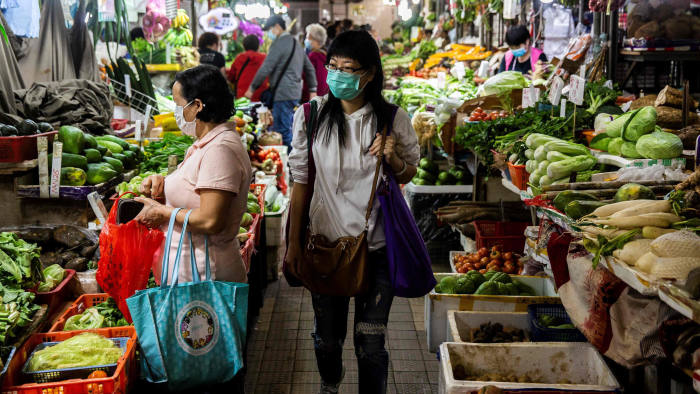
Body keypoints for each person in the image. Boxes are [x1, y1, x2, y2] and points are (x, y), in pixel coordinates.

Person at [286, 30, 419, 394]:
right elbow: (300, 184)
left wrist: (393, 157)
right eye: (334, 66)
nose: (338, 75)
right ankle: (331, 382)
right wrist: (293, 245)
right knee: (327, 340)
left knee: (370, 343)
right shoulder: (310, 116)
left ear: (370, 74)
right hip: (324, 246)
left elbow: (410, 172)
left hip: (376, 250)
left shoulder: (392, 118)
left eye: (349, 68)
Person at [245, 15, 318, 150]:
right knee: (286, 128)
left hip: (282, 93)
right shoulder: (297, 44)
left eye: (269, 30)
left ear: (277, 27)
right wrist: (313, 90)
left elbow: (266, 67)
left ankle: (290, 163)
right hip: (294, 93)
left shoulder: (278, 44)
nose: (268, 34)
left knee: (282, 131)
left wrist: (252, 88)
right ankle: (289, 162)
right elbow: (309, 69)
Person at [228, 34, 268, 101]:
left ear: (244, 46)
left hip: (242, 98)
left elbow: (231, 77)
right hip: (261, 97)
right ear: (258, 46)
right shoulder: (264, 58)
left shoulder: (239, 58)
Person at [302, 23, 329, 103]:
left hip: (313, 96)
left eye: (307, 37)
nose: (306, 40)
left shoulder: (314, 56)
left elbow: (305, 75)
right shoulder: (325, 54)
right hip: (324, 95)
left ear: (315, 40)